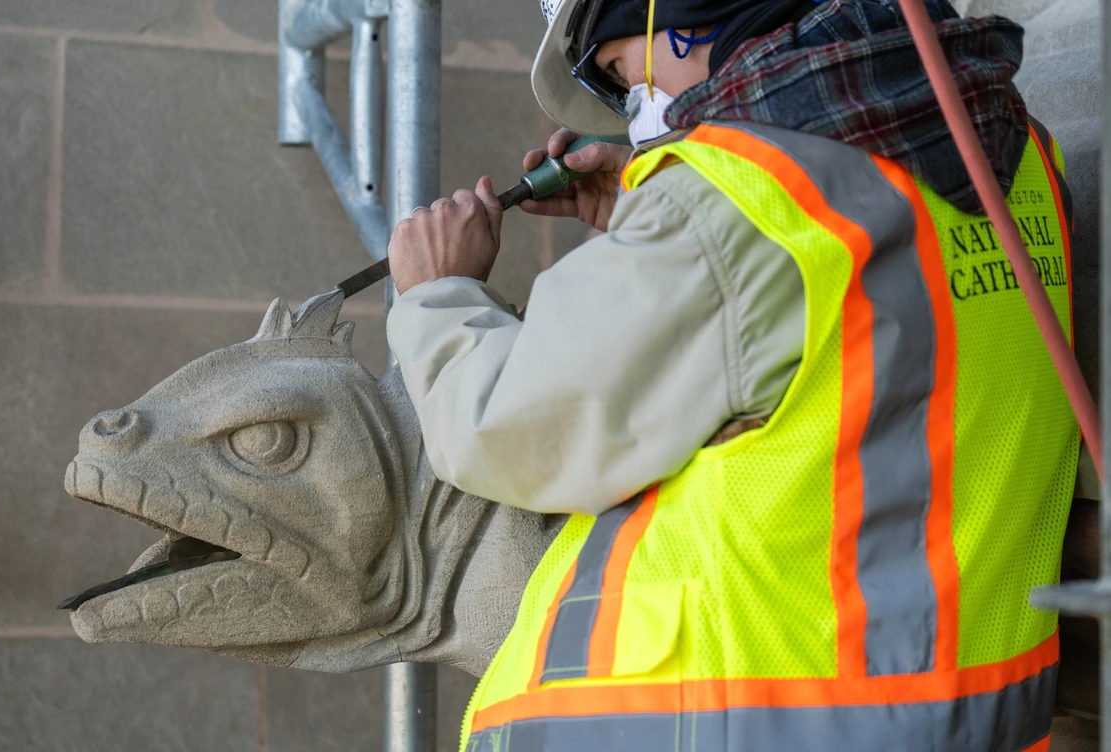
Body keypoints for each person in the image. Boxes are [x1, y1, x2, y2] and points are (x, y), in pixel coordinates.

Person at [385, 0, 1079, 748]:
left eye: (619, 74)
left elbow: (509, 429)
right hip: (956, 707)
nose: (639, 105)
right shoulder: (1020, 156)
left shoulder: (730, 203)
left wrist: (436, 294)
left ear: (678, 12)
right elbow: (852, 342)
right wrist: (657, 216)